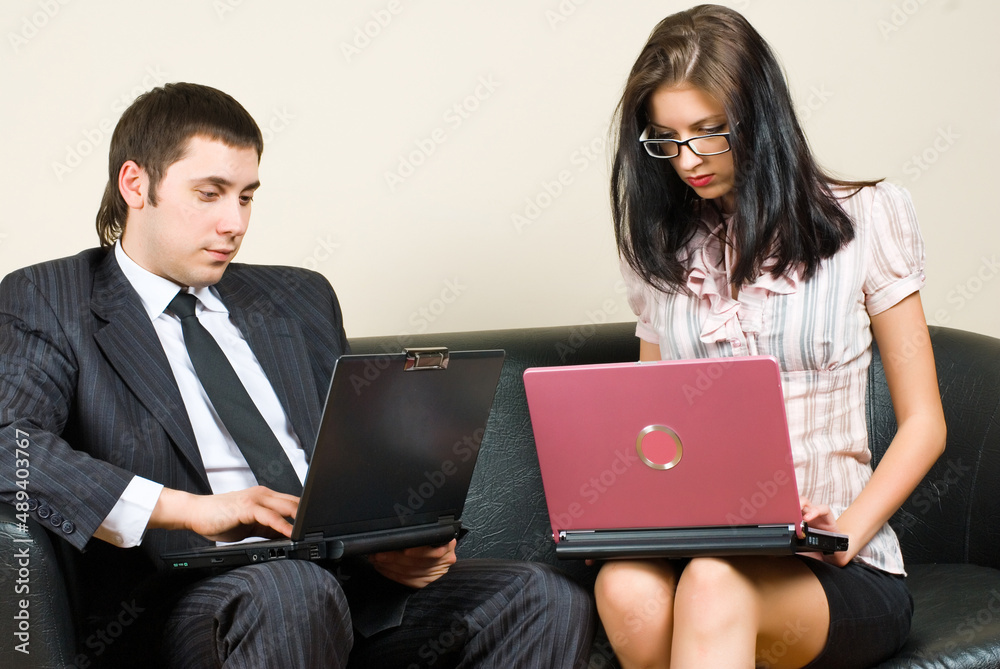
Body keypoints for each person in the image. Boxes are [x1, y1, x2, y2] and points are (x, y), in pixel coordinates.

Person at [0, 82, 595, 668]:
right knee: (292, 594)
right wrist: (189, 509)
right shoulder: (51, 298)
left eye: (246, 197)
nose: (233, 222)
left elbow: (356, 457)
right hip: (184, 602)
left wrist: (387, 544)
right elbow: (9, 446)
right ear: (135, 184)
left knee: (540, 599)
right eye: (209, 194)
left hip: (341, 584)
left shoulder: (299, 297)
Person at [597, 5, 945, 668]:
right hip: (704, 547)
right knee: (624, 584)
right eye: (667, 139)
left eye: (709, 132)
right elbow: (652, 426)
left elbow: (925, 423)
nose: (688, 160)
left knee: (713, 584)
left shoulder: (868, 217)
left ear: (759, 115)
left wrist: (842, 535)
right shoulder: (659, 252)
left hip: (839, 562)